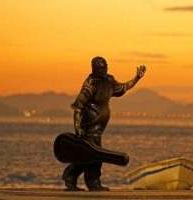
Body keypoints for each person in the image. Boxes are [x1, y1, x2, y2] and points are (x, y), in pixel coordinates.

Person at [62, 56, 146, 191]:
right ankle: (92, 182)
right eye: (101, 68)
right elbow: (78, 107)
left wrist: (137, 77)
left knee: (87, 155)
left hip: (99, 128)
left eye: (105, 67)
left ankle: (70, 176)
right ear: (94, 69)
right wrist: (77, 127)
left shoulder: (109, 80)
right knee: (94, 155)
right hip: (89, 126)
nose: (104, 70)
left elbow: (124, 87)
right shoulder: (90, 84)